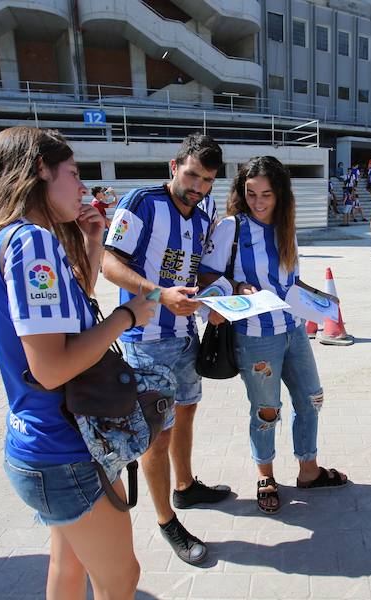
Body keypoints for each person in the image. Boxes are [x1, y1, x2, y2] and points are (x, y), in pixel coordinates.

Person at [0, 126, 157, 599]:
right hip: (65, 447)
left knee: (67, 567)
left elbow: (65, 316)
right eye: (72, 174)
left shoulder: (13, 239)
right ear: (39, 172)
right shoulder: (33, 243)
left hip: (39, 442)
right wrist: (127, 315)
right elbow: (52, 367)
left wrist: (93, 238)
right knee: (121, 578)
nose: (82, 187)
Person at [101, 133, 229, 566]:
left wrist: (227, 295)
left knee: (188, 409)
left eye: (207, 180)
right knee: (157, 434)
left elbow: (198, 270)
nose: (197, 186)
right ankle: (165, 519)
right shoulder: (141, 202)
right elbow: (109, 263)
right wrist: (158, 295)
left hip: (185, 335)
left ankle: (186, 486)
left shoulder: (202, 211)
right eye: (192, 175)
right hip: (146, 342)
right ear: (175, 167)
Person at [198, 155, 348, 515]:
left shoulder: (285, 226)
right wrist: (236, 285)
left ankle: (308, 470)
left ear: (280, 194)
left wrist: (318, 303)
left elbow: (289, 280)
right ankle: (265, 474)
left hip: (294, 330)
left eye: (266, 194)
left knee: (312, 398)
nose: (259, 202)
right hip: (254, 335)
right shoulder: (230, 228)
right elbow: (204, 274)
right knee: (267, 409)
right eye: (251, 194)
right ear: (242, 192)